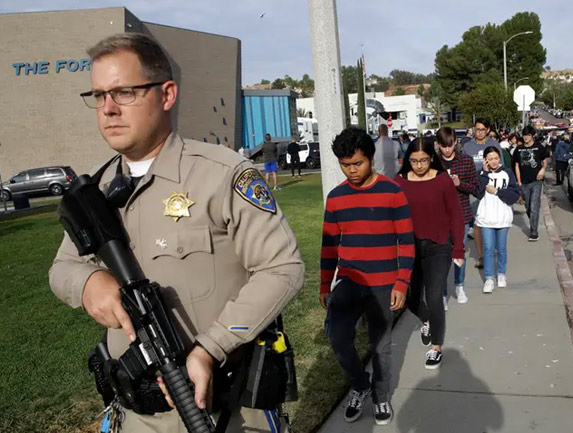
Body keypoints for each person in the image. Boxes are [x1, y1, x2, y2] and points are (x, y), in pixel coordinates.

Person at [48, 33, 304, 433]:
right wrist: (87, 282)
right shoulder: (95, 193)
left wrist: (209, 348)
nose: (109, 109)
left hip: (225, 409)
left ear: (167, 94)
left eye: (124, 92)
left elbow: (283, 269)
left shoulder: (222, 175)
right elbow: (61, 267)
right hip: (135, 413)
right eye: (98, 96)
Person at [320, 127, 414, 426]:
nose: (351, 170)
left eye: (357, 163)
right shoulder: (336, 198)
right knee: (337, 339)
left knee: (381, 346)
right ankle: (361, 385)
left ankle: (381, 395)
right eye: (345, 164)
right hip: (349, 281)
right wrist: (325, 284)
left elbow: (407, 241)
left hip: (384, 283)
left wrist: (402, 282)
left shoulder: (392, 192)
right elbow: (328, 246)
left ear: (370, 158)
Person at [394, 137, 464, 370]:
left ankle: (436, 347)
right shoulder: (399, 182)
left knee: (434, 296)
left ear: (432, 158)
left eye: (424, 160)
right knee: (410, 297)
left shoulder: (442, 180)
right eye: (414, 160)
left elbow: (456, 215)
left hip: (438, 246)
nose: (419, 165)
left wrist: (458, 249)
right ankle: (426, 319)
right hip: (409, 248)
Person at [436, 126, 479, 306]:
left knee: (458, 252)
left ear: (455, 143)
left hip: (461, 214)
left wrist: (459, 183)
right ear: (438, 145)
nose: (447, 149)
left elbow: (476, 188)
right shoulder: (433, 164)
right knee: (442, 256)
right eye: (444, 146)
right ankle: (443, 293)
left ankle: (459, 286)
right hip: (439, 216)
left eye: (450, 145)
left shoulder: (466, 161)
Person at [474, 147, 521, 293]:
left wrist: (497, 191)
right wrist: (485, 173)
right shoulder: (481, 174)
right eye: (490, 159)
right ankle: (489, 278)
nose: (494, 161)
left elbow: (514, 195)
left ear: (499, 158)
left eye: (496, 158)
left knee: (501, 248)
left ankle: (501, 274)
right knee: (488, 248)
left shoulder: (507, 173)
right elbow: (478, 192)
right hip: (486, 218)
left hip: (502, 217)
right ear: (485, 160)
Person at [462, 118, 501, 269]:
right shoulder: (467, 147)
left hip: (491, 188)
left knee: (492, 222)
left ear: (487, 130)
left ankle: (492, 250)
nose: (479, 132)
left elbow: (500, 168)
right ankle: (481, 255)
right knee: (478, 224)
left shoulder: (493, 145)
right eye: (477, 129)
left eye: (482, 130)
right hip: (475, 189)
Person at [512, 125, 549, 241]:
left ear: (532, 136)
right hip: (523, 182)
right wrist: (518, 181)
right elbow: (517, 166)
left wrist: (543, 170)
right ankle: (533, 222)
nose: (526, 137)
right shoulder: (519, 149)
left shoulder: (539, 147)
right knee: (528, 206)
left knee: (534, 206)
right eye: (524, 135)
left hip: (536, 181)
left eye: (528, 135)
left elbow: (545, 162)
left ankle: (534, 232)